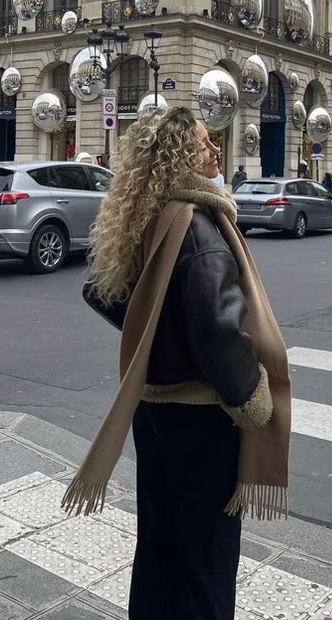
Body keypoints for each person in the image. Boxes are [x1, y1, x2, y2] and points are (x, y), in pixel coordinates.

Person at [63, 107, 291, 620]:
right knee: (205, 563)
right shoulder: (201, 230)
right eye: (205, 143)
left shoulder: (147, 214)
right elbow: (218, 332)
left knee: (160, 550)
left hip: (154, 411)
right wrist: (251, 399)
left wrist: (156, 333)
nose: (215, 151)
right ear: (181, 154)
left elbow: (104, 293)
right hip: (201, 417)